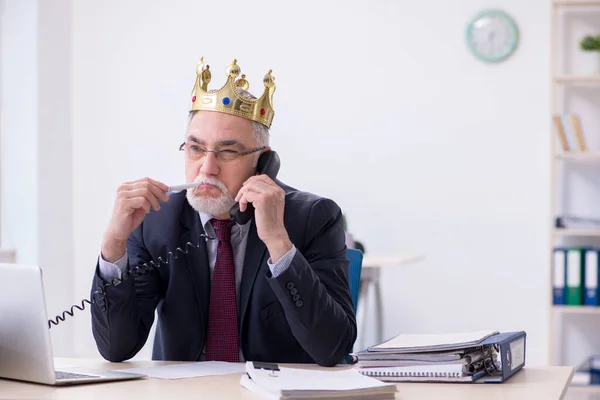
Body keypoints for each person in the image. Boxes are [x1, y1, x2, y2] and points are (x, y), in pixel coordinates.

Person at [90, 58, 356, 367]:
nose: (207, 168)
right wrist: (113, 245)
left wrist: (278, 244)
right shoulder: (155, 221)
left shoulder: (313, 219)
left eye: (227, 152)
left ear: (263, 162)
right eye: (195, 149)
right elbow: (116, 348)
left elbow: (333, 347)